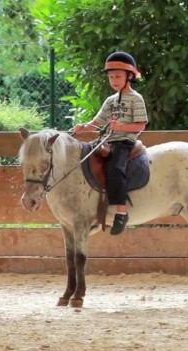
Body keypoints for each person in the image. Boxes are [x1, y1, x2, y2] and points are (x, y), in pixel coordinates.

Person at [72, 51, 148, 234]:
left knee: (115, 168)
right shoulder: (110, 100)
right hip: (105, 141)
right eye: (111, 76)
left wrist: (122, 126)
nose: (114, 80)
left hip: (124, 142)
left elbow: (141, 125)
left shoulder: (136, 99)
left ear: (129, 76)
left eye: (118, 76)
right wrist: (84, 127)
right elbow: (97, 122)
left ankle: (121, 212)